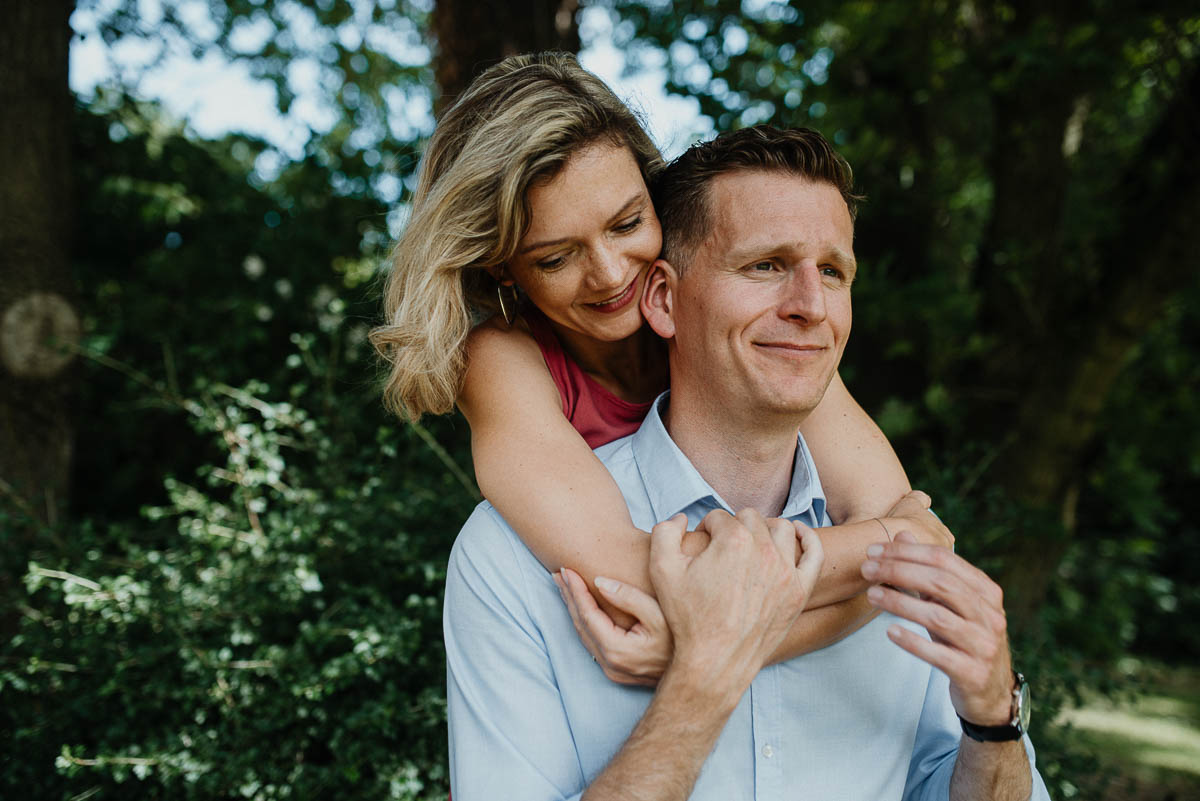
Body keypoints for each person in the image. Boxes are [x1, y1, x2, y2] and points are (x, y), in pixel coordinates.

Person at [442, 124, 1051, 800]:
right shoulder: (510, 559)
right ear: (664, 298)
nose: (809, 306)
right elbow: (897, 543)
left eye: (833, 272)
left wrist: (995, 721)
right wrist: (701, 675)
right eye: (765, 265)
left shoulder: (880, 520)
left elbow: (909, 541)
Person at [370, 52, 951, 681]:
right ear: (501, 265)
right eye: (556, 258)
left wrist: (692, 655)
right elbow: (641, 577)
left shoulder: (739, 327)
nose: (612, 274)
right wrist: (885, 554)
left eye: (627, 224)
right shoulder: (501, 360)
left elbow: (917, 535)